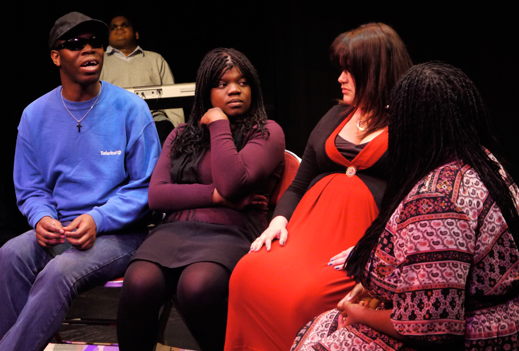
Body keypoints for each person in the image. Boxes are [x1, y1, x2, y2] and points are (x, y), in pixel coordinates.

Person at [292, 62, 519, 351]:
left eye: (395, 112)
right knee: (319, 325)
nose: (390, 118)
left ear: (414, 122)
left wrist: (363, 315)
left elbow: (430, 329)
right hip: (480, 315)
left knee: (318, 338)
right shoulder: (484, 161)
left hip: (473, 334)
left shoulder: (436, 202)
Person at [224, 23, 413, 351]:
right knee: (246, 275)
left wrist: (376, 251)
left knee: (302, 298)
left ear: (376, 71)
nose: (340, 78)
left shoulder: (409, 122)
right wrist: (279, 220)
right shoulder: (337, 113)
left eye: (350, 70)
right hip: (305, 232)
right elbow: (299, 183)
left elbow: (412, 198)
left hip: (357, 244)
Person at [0, 12, 161, 351]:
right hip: (60, 227)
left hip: (119, 233)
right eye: (76, 44)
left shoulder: (130, 109)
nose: (89, 50)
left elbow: (146, 186)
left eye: (96, 42)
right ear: (56, 57)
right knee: (8, 257)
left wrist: (99, 218)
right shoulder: (35, 115)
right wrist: (42, 218)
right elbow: (31, 187)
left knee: (58, 273)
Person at [116, 48, 285, 351]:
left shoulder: (266, 132)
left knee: (196, 287)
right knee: (138, 283)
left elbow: (233, 183)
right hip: (174, 232)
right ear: (206, 91)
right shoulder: (181, 134)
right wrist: (215, 196)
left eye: (242, 83)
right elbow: (157, 195)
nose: (234, 89)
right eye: (222, 84)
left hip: (231, 231)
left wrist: (219, 124)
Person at [100, 15, 184, 143]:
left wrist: (178, 132)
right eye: (113, 27)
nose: (119, 28)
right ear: (108, 37)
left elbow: (173, 100)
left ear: (136, 34)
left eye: (125, 25)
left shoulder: (155, 59)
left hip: (153, 122)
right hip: (113, 122)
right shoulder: (99, 61)